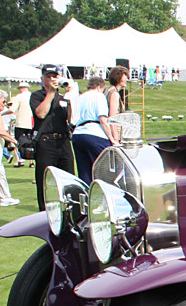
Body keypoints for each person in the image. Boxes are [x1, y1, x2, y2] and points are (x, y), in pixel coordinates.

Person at [31, 64, 74, 211]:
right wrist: (50, 92)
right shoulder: (37, 96)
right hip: (46, 141)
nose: (52, 79)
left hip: (63, 140)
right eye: (48, 77)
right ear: (43, 79)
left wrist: (70, 98)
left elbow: (70, 119)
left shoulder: (61, 97)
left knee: (69, 178)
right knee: (45, 180)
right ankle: (45, 213)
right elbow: (41, 114)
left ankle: (69, 211)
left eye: (54, 76)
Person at [71, 77, 118, 184]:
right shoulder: (99, 96)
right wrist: (111, 138)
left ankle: (86, 196)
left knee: (84, 171)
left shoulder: (79, 97)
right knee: (105, 169)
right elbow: (102, 119)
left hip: (78, 134)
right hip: (94, 133)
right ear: (99, 87)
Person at [8, 82, 33, 167]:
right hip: (31, 122)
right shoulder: (33, 95)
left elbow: (12, 109)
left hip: (21, 123)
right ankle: (31, 162)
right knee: (31, 141)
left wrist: (2, 113)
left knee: (18, 142)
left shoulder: (19, 96)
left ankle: (20, 159)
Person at [106, 65, 128, 142]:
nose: (126, 79)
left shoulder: (110, 90)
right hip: (114, 134)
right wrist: (115, 138)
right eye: (125, 76)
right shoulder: (114, 93)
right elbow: (113, 118)